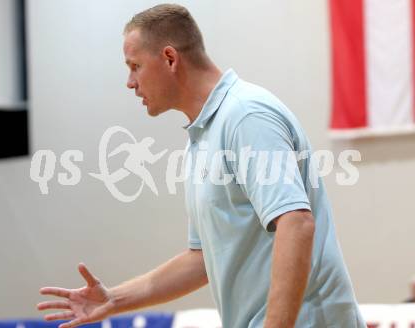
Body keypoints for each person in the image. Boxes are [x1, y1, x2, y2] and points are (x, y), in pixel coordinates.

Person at [37, 4, 366, 327]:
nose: (130, 82)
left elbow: (296, 223)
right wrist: (115, 299)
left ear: (169, 58)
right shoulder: (203, 135)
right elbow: (202, 259)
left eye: (135, 65)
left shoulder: (245, 115)